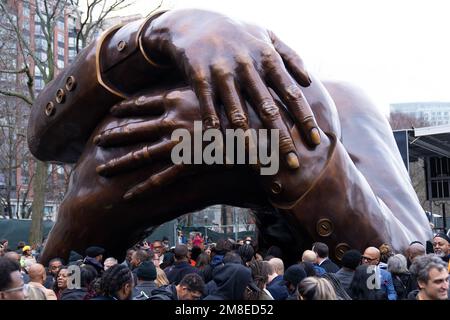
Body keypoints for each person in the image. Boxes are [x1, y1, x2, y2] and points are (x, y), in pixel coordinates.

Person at [30, 9, 432, 265]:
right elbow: (42, 138)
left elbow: (410, 249)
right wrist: (154, 32)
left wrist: (277, 141)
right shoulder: (145, 76)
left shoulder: (341, 103)